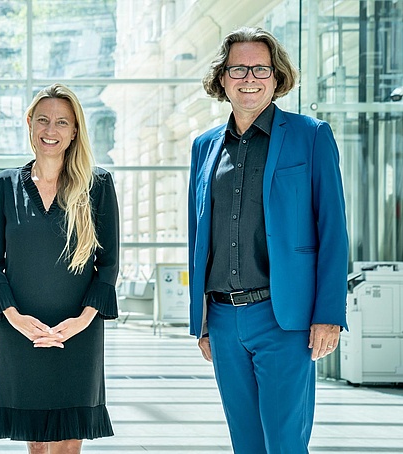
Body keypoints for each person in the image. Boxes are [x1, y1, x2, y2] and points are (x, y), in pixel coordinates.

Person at [188, 27, 348, 453]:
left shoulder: (310, 136)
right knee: (246, 445)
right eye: (238, 68)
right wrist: (200, 319)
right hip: (222, 320)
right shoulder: (204, 147)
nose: (249, 78)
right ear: (222, 78)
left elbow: (333, 230)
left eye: (260, 68)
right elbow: (199, 236)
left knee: (285, 445)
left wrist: (328, 313)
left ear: (276, 77)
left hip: (284, 319)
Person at [0, 83, 120, 453]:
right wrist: (14, 317)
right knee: (36, 443)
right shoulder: (3, 186)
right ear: (29, 123)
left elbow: (108, 265)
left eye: (62, 122)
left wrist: (82, 321)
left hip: (76, 331)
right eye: (42, 120)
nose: (51, 130)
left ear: (75, 130)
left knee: (68, 440)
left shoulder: (97, 184)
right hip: (21, 329)